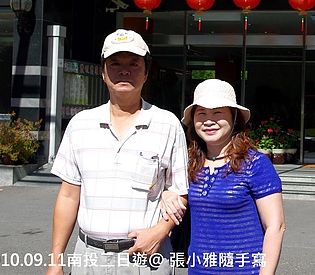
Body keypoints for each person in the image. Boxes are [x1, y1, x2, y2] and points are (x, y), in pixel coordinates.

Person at [46, 29, 189, 275]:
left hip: (148, 257)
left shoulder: (167, 124)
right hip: (88, 257)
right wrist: (56, 260)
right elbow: (68, 196)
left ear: (146, 73)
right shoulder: (80, 124)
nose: (124, 71)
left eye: (133, 64)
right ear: (103, 72)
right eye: (115, 63)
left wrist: (159, 233)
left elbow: (180, 193)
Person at [165, 78, 286, 274]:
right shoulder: (189, 163)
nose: (208, 121)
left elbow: (275, 226)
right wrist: (166, 194)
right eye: (201, 113)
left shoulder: (255, 164)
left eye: (217, 112)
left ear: (234, 117)